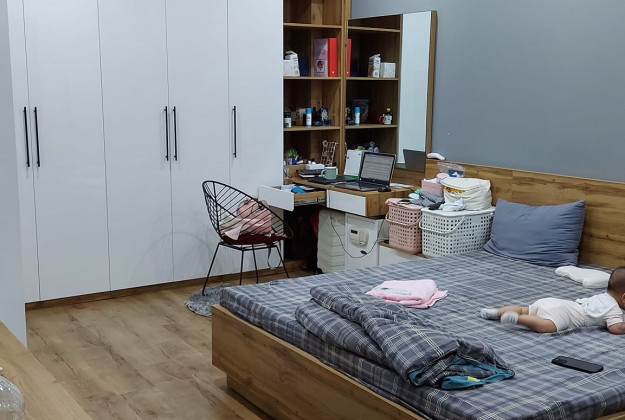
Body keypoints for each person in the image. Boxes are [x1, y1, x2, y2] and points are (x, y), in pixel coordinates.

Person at [480, 266, 625, 334]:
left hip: (555, 302)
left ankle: (496, 312)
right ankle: (517, 319)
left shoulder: (602, 297)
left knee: (525, 309)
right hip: (564, 314)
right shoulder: (614, 310)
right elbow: (616, 328)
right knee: (547, 326)